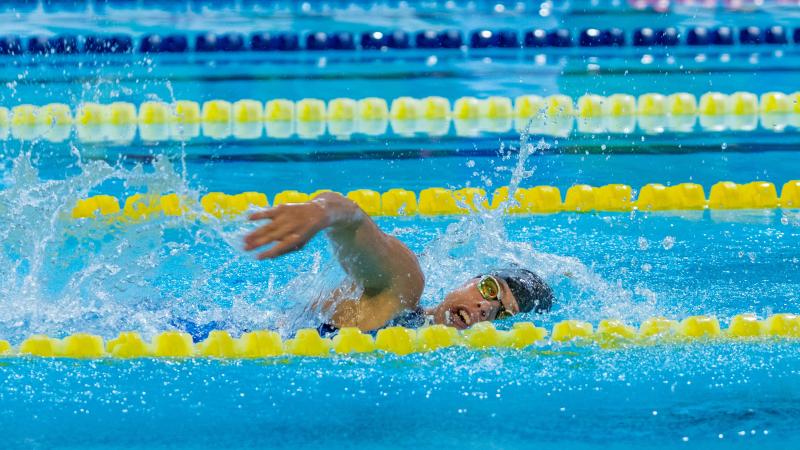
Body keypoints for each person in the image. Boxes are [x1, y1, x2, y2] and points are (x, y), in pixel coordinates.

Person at [244, 192, 554, 335]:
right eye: (489, 289)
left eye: (502, 315)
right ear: (467, 281)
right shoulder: (403, 290)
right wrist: (321, 212)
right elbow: (353, 220)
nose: (487, 307)